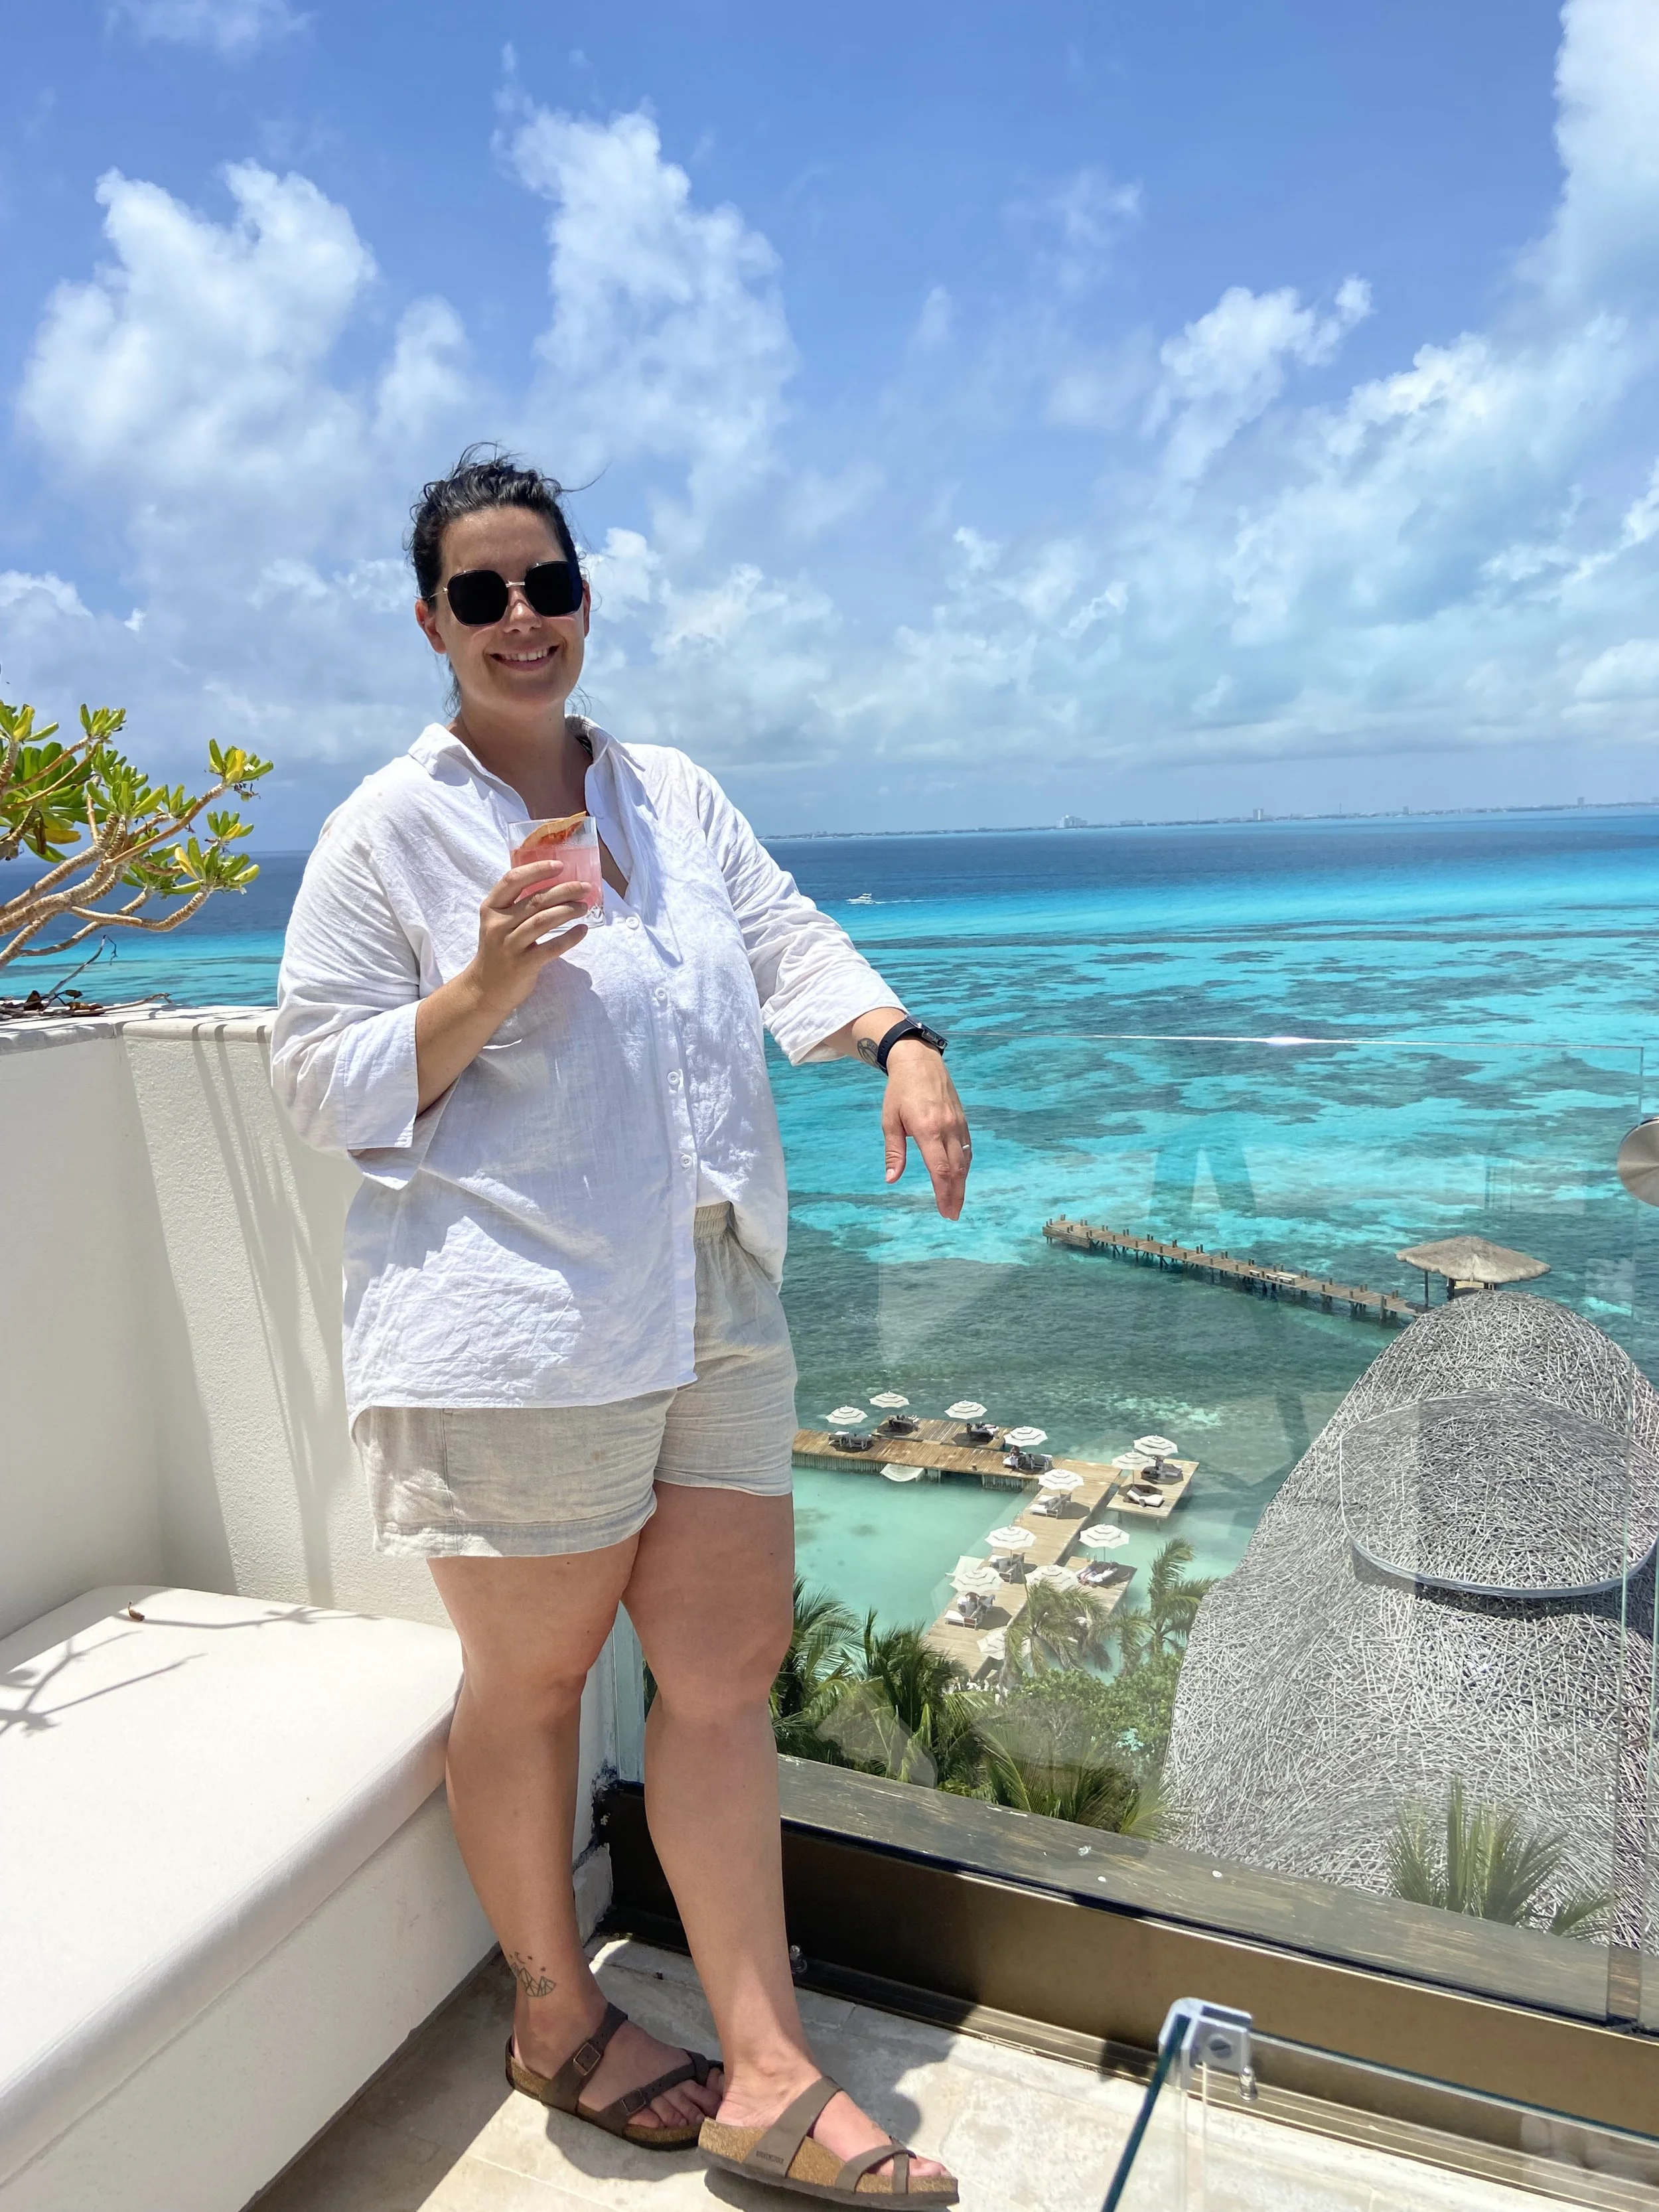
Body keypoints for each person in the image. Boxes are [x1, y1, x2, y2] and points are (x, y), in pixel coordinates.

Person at [271, 449, 969, 2201]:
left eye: (549, 584)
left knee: (725, 1675)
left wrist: (897, 1036)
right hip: (518, 1327)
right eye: (482, 594)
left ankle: (766, 2060)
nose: (525, 620)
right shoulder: (386, 831)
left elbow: (791, 943)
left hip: (712, 1300)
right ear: (430, 620)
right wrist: (490, 975)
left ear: (586, 597)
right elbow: (318, 1078)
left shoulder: (666, 792)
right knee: (534, 1682)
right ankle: (554, 2011)